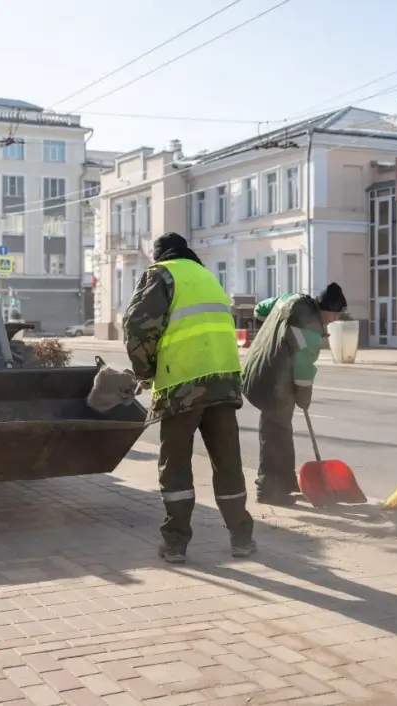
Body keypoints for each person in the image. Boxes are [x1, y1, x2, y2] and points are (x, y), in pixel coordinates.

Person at [123, 232, 255, 564]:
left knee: (176, 467)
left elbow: (138, 326)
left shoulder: (161, 274)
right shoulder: (207, 276)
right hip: (223, 384)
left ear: (160, 256)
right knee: (228, 464)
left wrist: (144, 371)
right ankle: (241, 538)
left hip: (182, 385)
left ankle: (176, 543)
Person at [241, 283, 349, 506]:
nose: (334, 320)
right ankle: (268, 489)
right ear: (327, 309)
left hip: (257, 368)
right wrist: (304, 397)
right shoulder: (310, 331)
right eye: (335, 315)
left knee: (278, 430)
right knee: (275, 435)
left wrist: (277, 331)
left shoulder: (290, 299)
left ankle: (283, 485)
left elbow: (260, 310)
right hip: (272, 380)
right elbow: (303, 373)